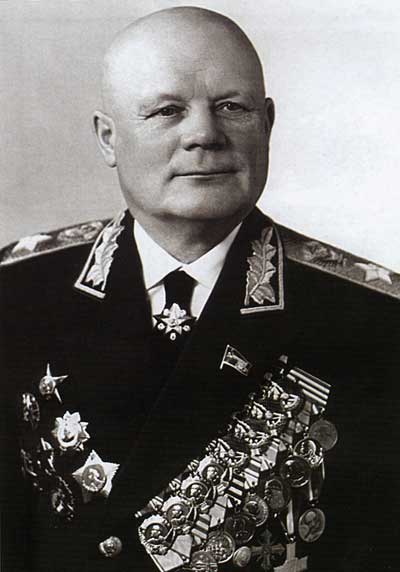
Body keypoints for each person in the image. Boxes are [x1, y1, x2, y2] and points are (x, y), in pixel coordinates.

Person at [0, 6, 399, 572]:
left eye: (232, 107)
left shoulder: (374, 319)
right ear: (108, 138)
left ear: (267, 124)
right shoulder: (18, 293)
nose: (205, 135)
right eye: (167, 111)